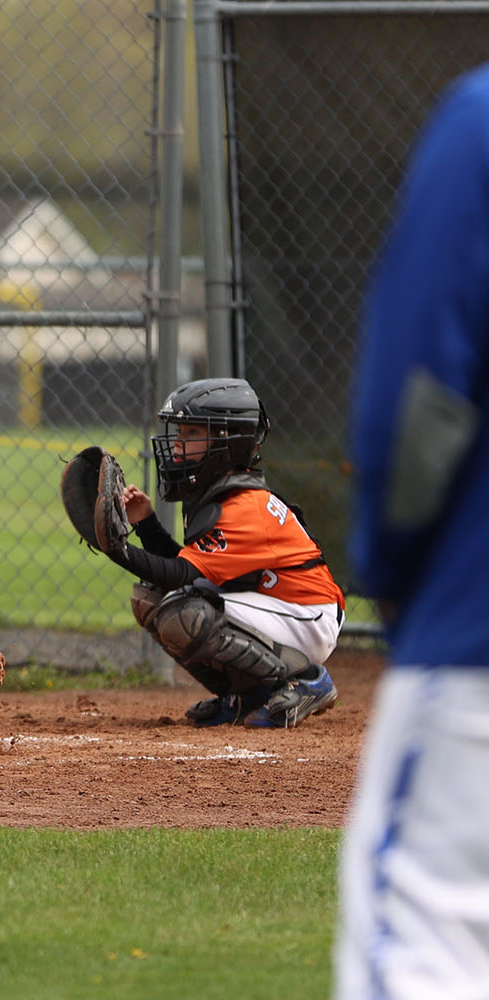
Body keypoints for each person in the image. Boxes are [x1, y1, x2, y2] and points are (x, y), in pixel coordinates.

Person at [335, 61, 489, 999]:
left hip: (474, 639)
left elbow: (416, 398)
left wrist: (395, 570)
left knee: (419, 955)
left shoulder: (479, 121)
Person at [105, 378, 344, 728]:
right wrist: (147, 525)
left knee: (183, 613)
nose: (176, 446)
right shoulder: (220, 495)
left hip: (307, 615)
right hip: (280, 606)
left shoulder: (244, 508)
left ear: (225, 440)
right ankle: (246, 698)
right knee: (153, 596)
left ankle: (307, 679)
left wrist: (116, 548)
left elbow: (181, 576)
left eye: (189, 434)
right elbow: (190, 570)